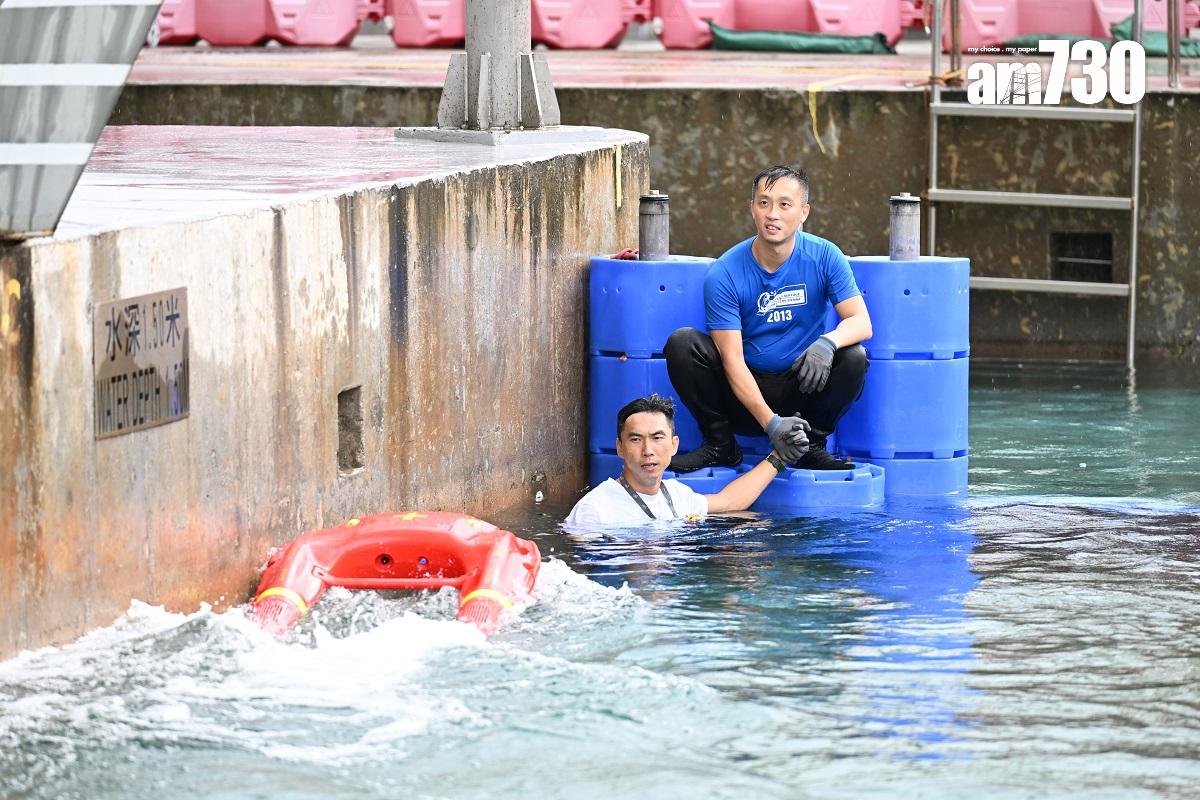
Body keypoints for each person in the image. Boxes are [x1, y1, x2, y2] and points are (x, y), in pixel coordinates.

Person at [665, 164, 872, 473]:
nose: (772, 213)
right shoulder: (725, 272)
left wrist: (827, 343)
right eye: (764, 203)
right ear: (752, 209)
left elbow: (861, 322)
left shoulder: (826, 256)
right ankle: (721, 445)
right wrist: (771, 424)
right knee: (682, 343)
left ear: (804, 212)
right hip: (744, 395)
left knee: (854, 357)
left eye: (784, 204)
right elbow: (732, 360)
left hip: (802, 389)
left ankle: (809, 447)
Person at [565, 394, 801, 527]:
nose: (648, 450)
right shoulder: (594, 510)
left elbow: (729, 501)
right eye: (636, 440)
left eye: (658, 438)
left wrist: (778, 457)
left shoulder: (678, 495)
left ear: (674, 445)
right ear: (620, 448)